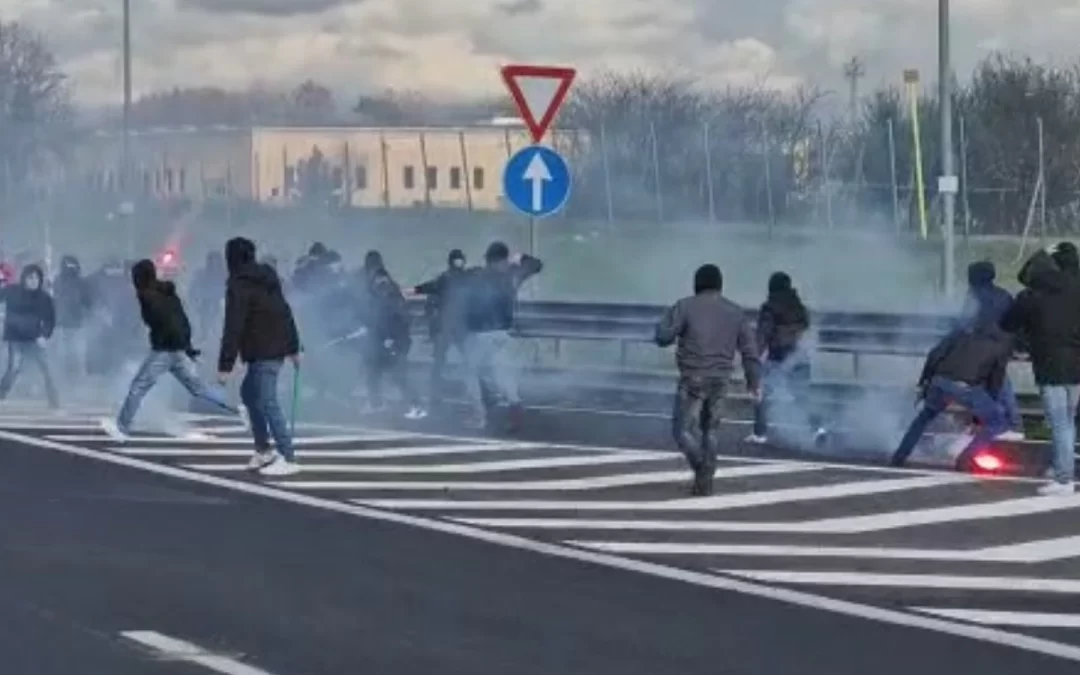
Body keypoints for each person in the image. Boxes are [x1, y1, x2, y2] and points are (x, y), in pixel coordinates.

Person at [100, 259, 241, 441]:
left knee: (139, 386)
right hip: (177, 349)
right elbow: (182, 321)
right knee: (198, 388)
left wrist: (173, 343)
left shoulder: (148, 296)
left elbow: (168, 323)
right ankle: (237, 409)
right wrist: (187, 347)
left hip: (164, 350)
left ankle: (122, 428)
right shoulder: (168, 293)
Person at [656, 264, 761, 496]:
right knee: (710, 430)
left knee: (682, 430)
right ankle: (706, 479)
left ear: (697, 284)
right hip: (721, 378)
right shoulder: (736, 312)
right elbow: (749, 351)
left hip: (693, 376)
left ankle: (702, 468)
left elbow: (663, 336)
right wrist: (754, 383)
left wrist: (662, 324)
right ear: (719, 285)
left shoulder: (684, 306)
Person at [218, 237, 302, 477]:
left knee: (267, 400)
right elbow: (284, 311)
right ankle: (263, 449)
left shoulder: (238, 284)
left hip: (262, 350)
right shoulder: (268, 278)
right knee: (250, 394)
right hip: (271, 348)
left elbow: (233, 325)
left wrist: (225, 365)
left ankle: (288, 456)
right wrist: (294, 348)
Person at [1001, 244, 1080, 495]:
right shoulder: (1076, 289)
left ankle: (1063, 478)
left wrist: (1040, 253)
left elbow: (1007, 322)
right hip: (1076, 365)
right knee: (1068, 420)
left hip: (1049, 365)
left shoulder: (1033, 294)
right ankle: (1062, 466)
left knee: (1060, 423)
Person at [890, 317, 1013, 468]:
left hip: (939, 380)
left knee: (925, 416)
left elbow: (934, 354)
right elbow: (995, 381)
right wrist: (985, 408)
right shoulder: (1001, 346)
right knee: (997, 421)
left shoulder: (961, 334)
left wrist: (924, 382)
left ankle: (900, 455)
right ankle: (965, 459)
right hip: (966, 386)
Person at [460, 241, 542, 431]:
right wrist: (520, 257)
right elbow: (537, 265)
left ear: (489, 260)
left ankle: (478, 416)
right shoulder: (513, 274)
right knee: (502, 374)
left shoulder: (478, 275)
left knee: (469, 372)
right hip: (503, 334)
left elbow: (458, 285)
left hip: (480, 334)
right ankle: (515, 408)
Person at [745, 271, 826, 447]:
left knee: (761, 393)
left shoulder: (769, 307)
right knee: (802, 397)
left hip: (779, 357)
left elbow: (763, 335)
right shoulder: (799, 307)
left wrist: (754, 358)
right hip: (800, 357)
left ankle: (760, 433)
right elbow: (805, 329)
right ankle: (818, 428)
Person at [359, 250, 426, 419]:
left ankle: (417, 405)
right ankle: (376, 403)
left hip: (395, 340)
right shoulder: (380, 289)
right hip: (385, 340)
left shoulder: (386, 290)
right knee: (373, 370)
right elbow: (376, 316)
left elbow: (397, 317)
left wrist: (391, 338)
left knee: (398, 374)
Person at [961, 260, 1024, 440]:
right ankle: (1012, 424)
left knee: (981, 389)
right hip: (1001, 348)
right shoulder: (1004, 295)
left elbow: (964, 323)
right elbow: (1014, 322)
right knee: (1002, 385)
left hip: (980, 349)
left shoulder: (974, 296)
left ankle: (988, 425)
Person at [414, 248, 469, 405]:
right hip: (447, 326)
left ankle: (439, 390)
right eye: (457, 260)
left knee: (467, 358)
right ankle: (435, 391)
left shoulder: (462, 278)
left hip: (457, 326)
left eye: (460, 259)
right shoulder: (445, 279)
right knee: (440, 360)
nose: (459, 262)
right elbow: (430, 295)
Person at [0, 264, 59, 408]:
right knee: (14, 368)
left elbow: (50, 320)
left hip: (35, 338)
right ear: (24, 279)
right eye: (30, 278)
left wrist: (45, 336)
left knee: (47, 369)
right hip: (16, 337)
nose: (33, 281)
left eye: (36, 278)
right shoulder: (12, 291)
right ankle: (1, 395)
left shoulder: (44, 298)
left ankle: (54, 401)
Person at [52, 254, 93, 380]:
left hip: (75, 325)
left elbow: (87, 302)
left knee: (77, 356)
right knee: (63, 356)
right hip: (62, 325)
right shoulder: (58, 281)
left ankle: (79, 381)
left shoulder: (81, 283)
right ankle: (62, 381)